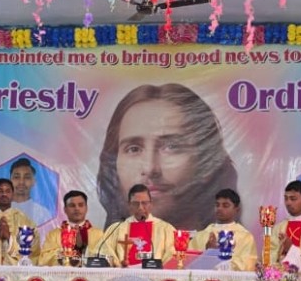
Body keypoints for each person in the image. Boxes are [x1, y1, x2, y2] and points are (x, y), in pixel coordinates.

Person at [97, 83, 237, 232]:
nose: (150, 168)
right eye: (134, 149)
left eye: (171, 147)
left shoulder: (235, 243)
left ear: (207, 164)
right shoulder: (101, 242)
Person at [103, 184, 177, 267]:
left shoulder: (165, 229)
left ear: (151, 204)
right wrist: (119, 265)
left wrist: (159, 267)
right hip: (124, 274)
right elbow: (104, 251)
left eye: (144, 203)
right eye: (135, 203)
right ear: (129, 205)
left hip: (155, 274)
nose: (140, 207)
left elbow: (173, 254)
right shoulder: (116, 229)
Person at [194, 188, 258, 272]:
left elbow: (247, 265)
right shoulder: (201, 236)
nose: (219, 208)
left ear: (236, 209)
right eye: (217, 205)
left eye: (225, 205)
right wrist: (208, 254)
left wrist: (217, 256)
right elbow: (189, 264)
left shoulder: (245, 237)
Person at [38, 190, 104, 266]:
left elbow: (106, 257)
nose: (77, 208)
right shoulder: (53, 234)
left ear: (86, 208)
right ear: (65, 209)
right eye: (72, 205)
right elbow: (43, 259)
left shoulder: (98, 234)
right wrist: (64, 254)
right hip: (62, 273)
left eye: (81, 205)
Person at [9, 157, 54, 225]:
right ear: (10, 181)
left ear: (34, 182)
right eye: (16, 177)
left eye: (27, 177)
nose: (21, 182)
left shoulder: (43, 214)